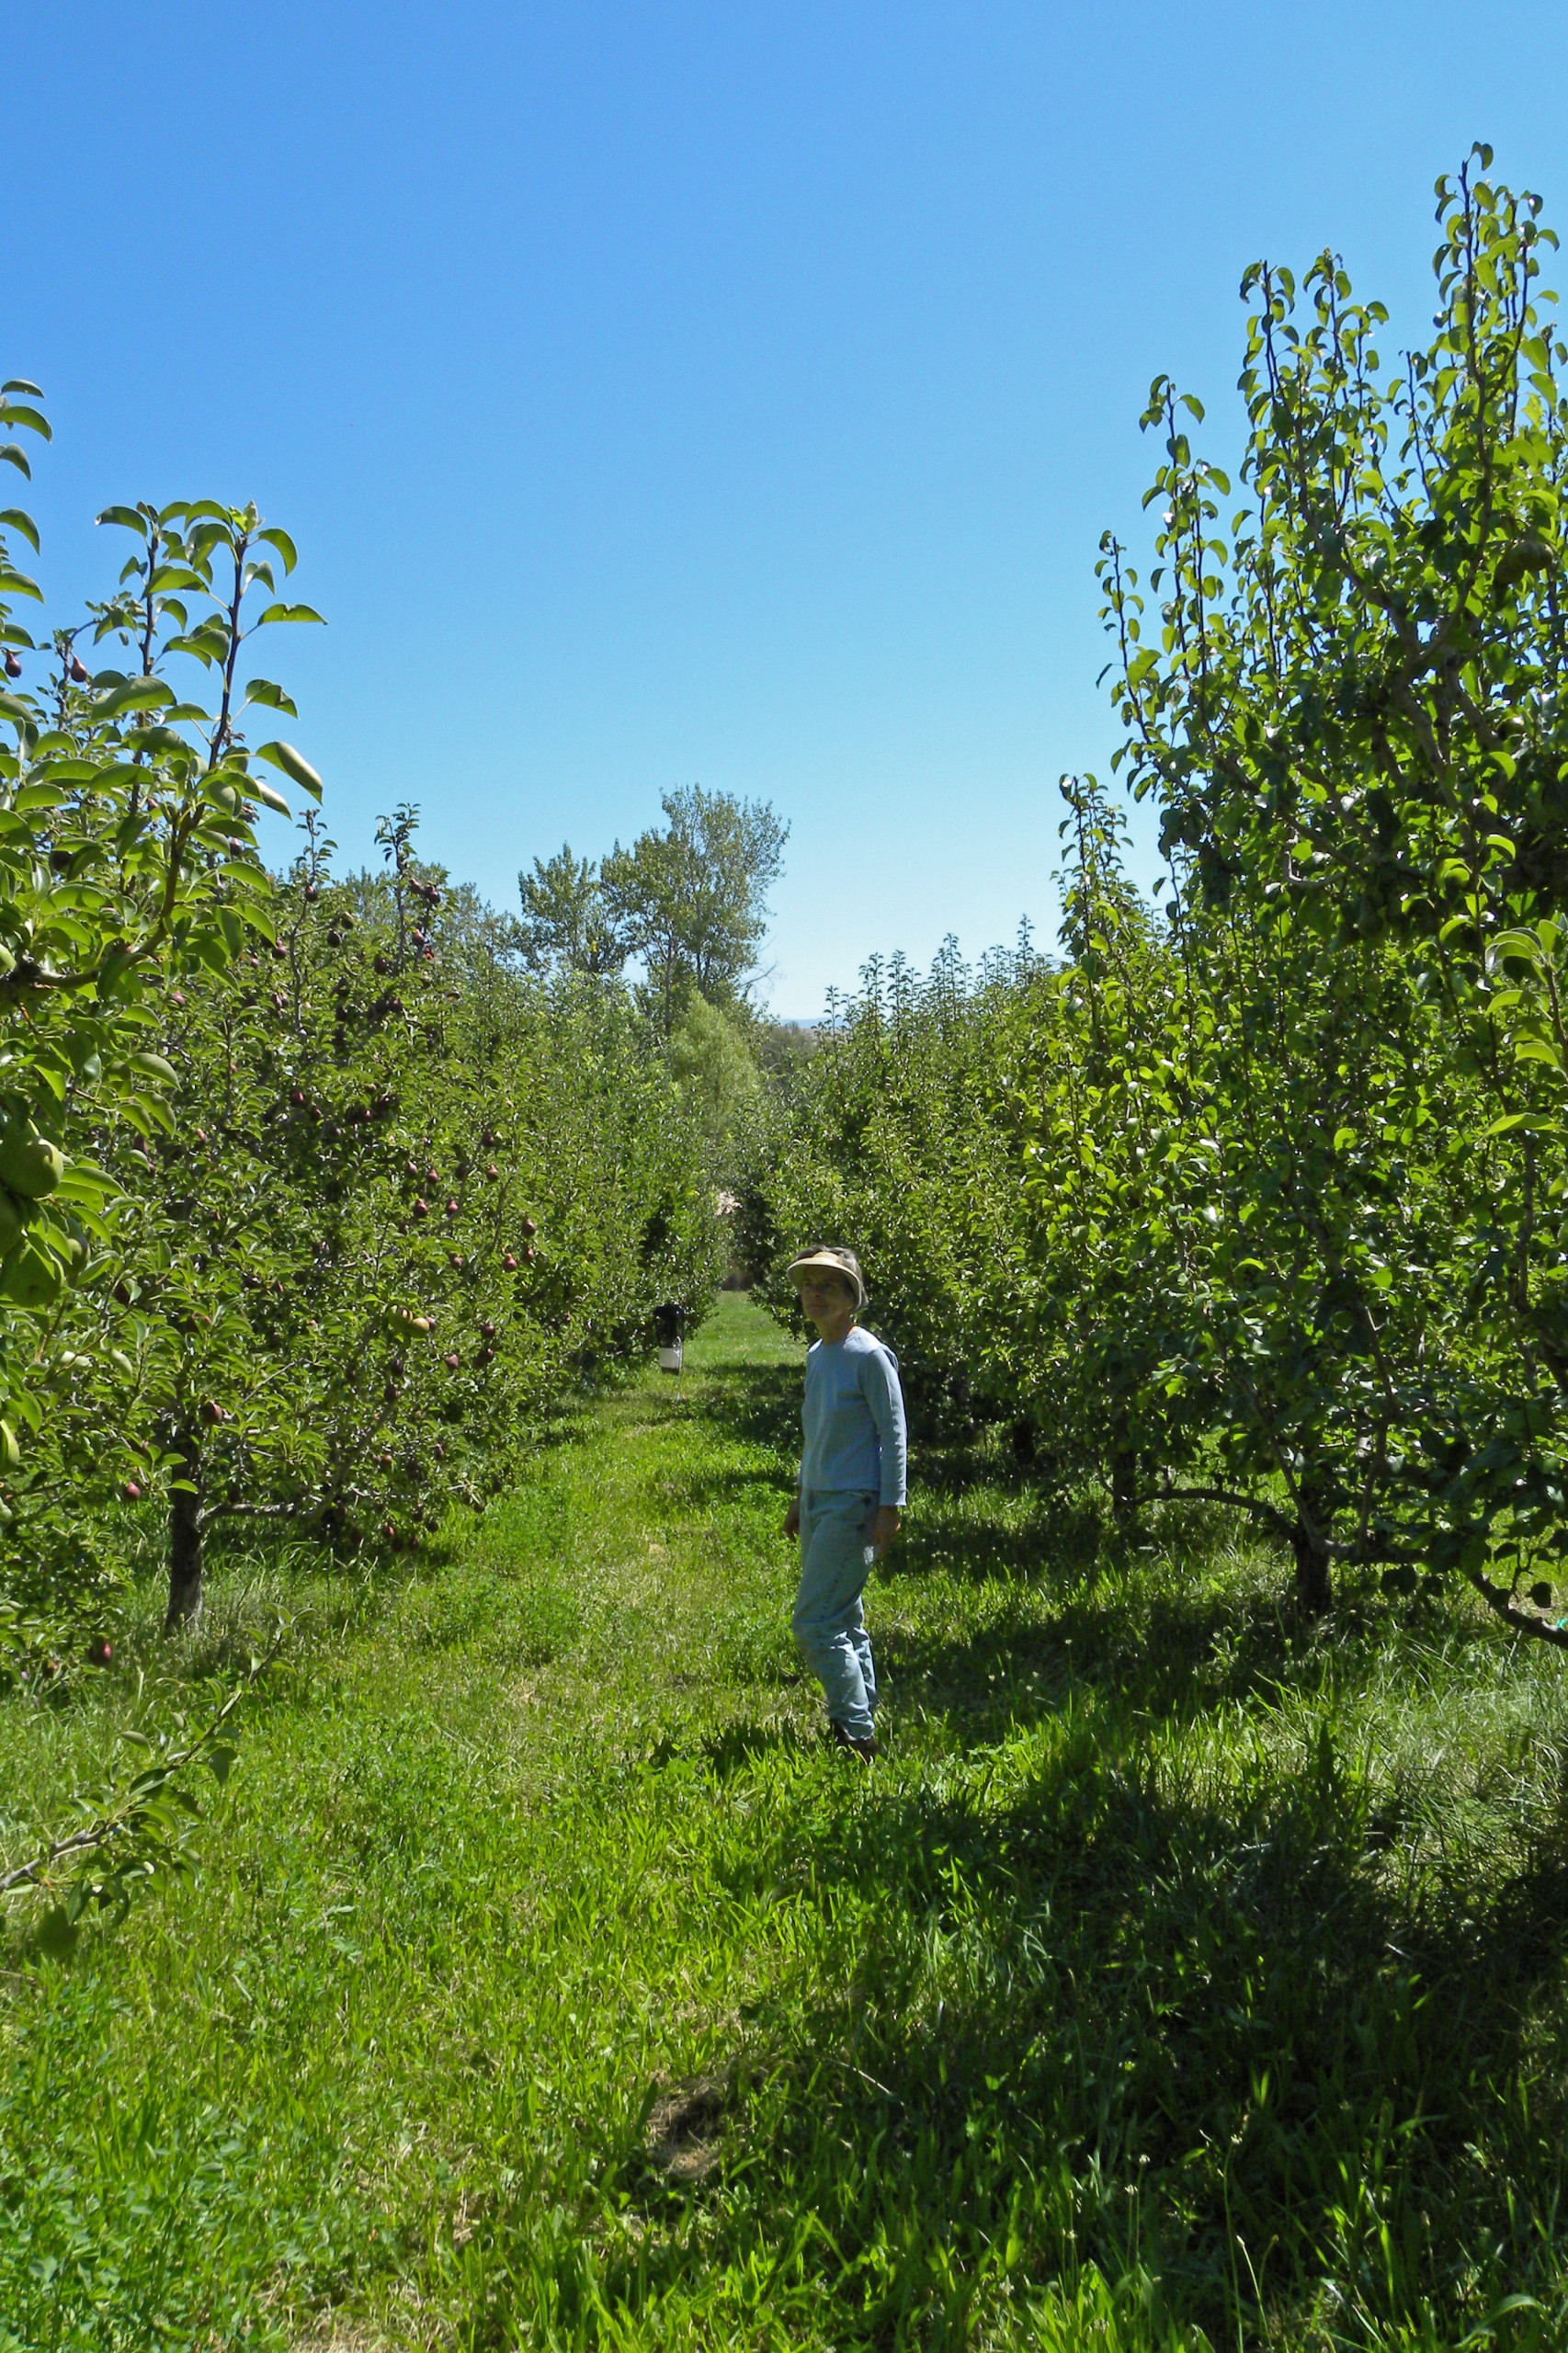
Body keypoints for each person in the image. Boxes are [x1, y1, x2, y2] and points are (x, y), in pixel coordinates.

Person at [783, 1245, 907, 1761]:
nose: (816, 1293)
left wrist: (890, 1505)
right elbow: (817, 1435)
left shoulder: (869, 1356)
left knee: (814, 1622)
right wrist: (799, 1495)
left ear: (852, 1297)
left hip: (854, 1507)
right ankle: (860, 1712)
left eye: (829, 1285)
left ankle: (856, 1736)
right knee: (845, 1615)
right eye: (810, 1283)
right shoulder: (817, 1356)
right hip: (818, 1502)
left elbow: (893, 1431)